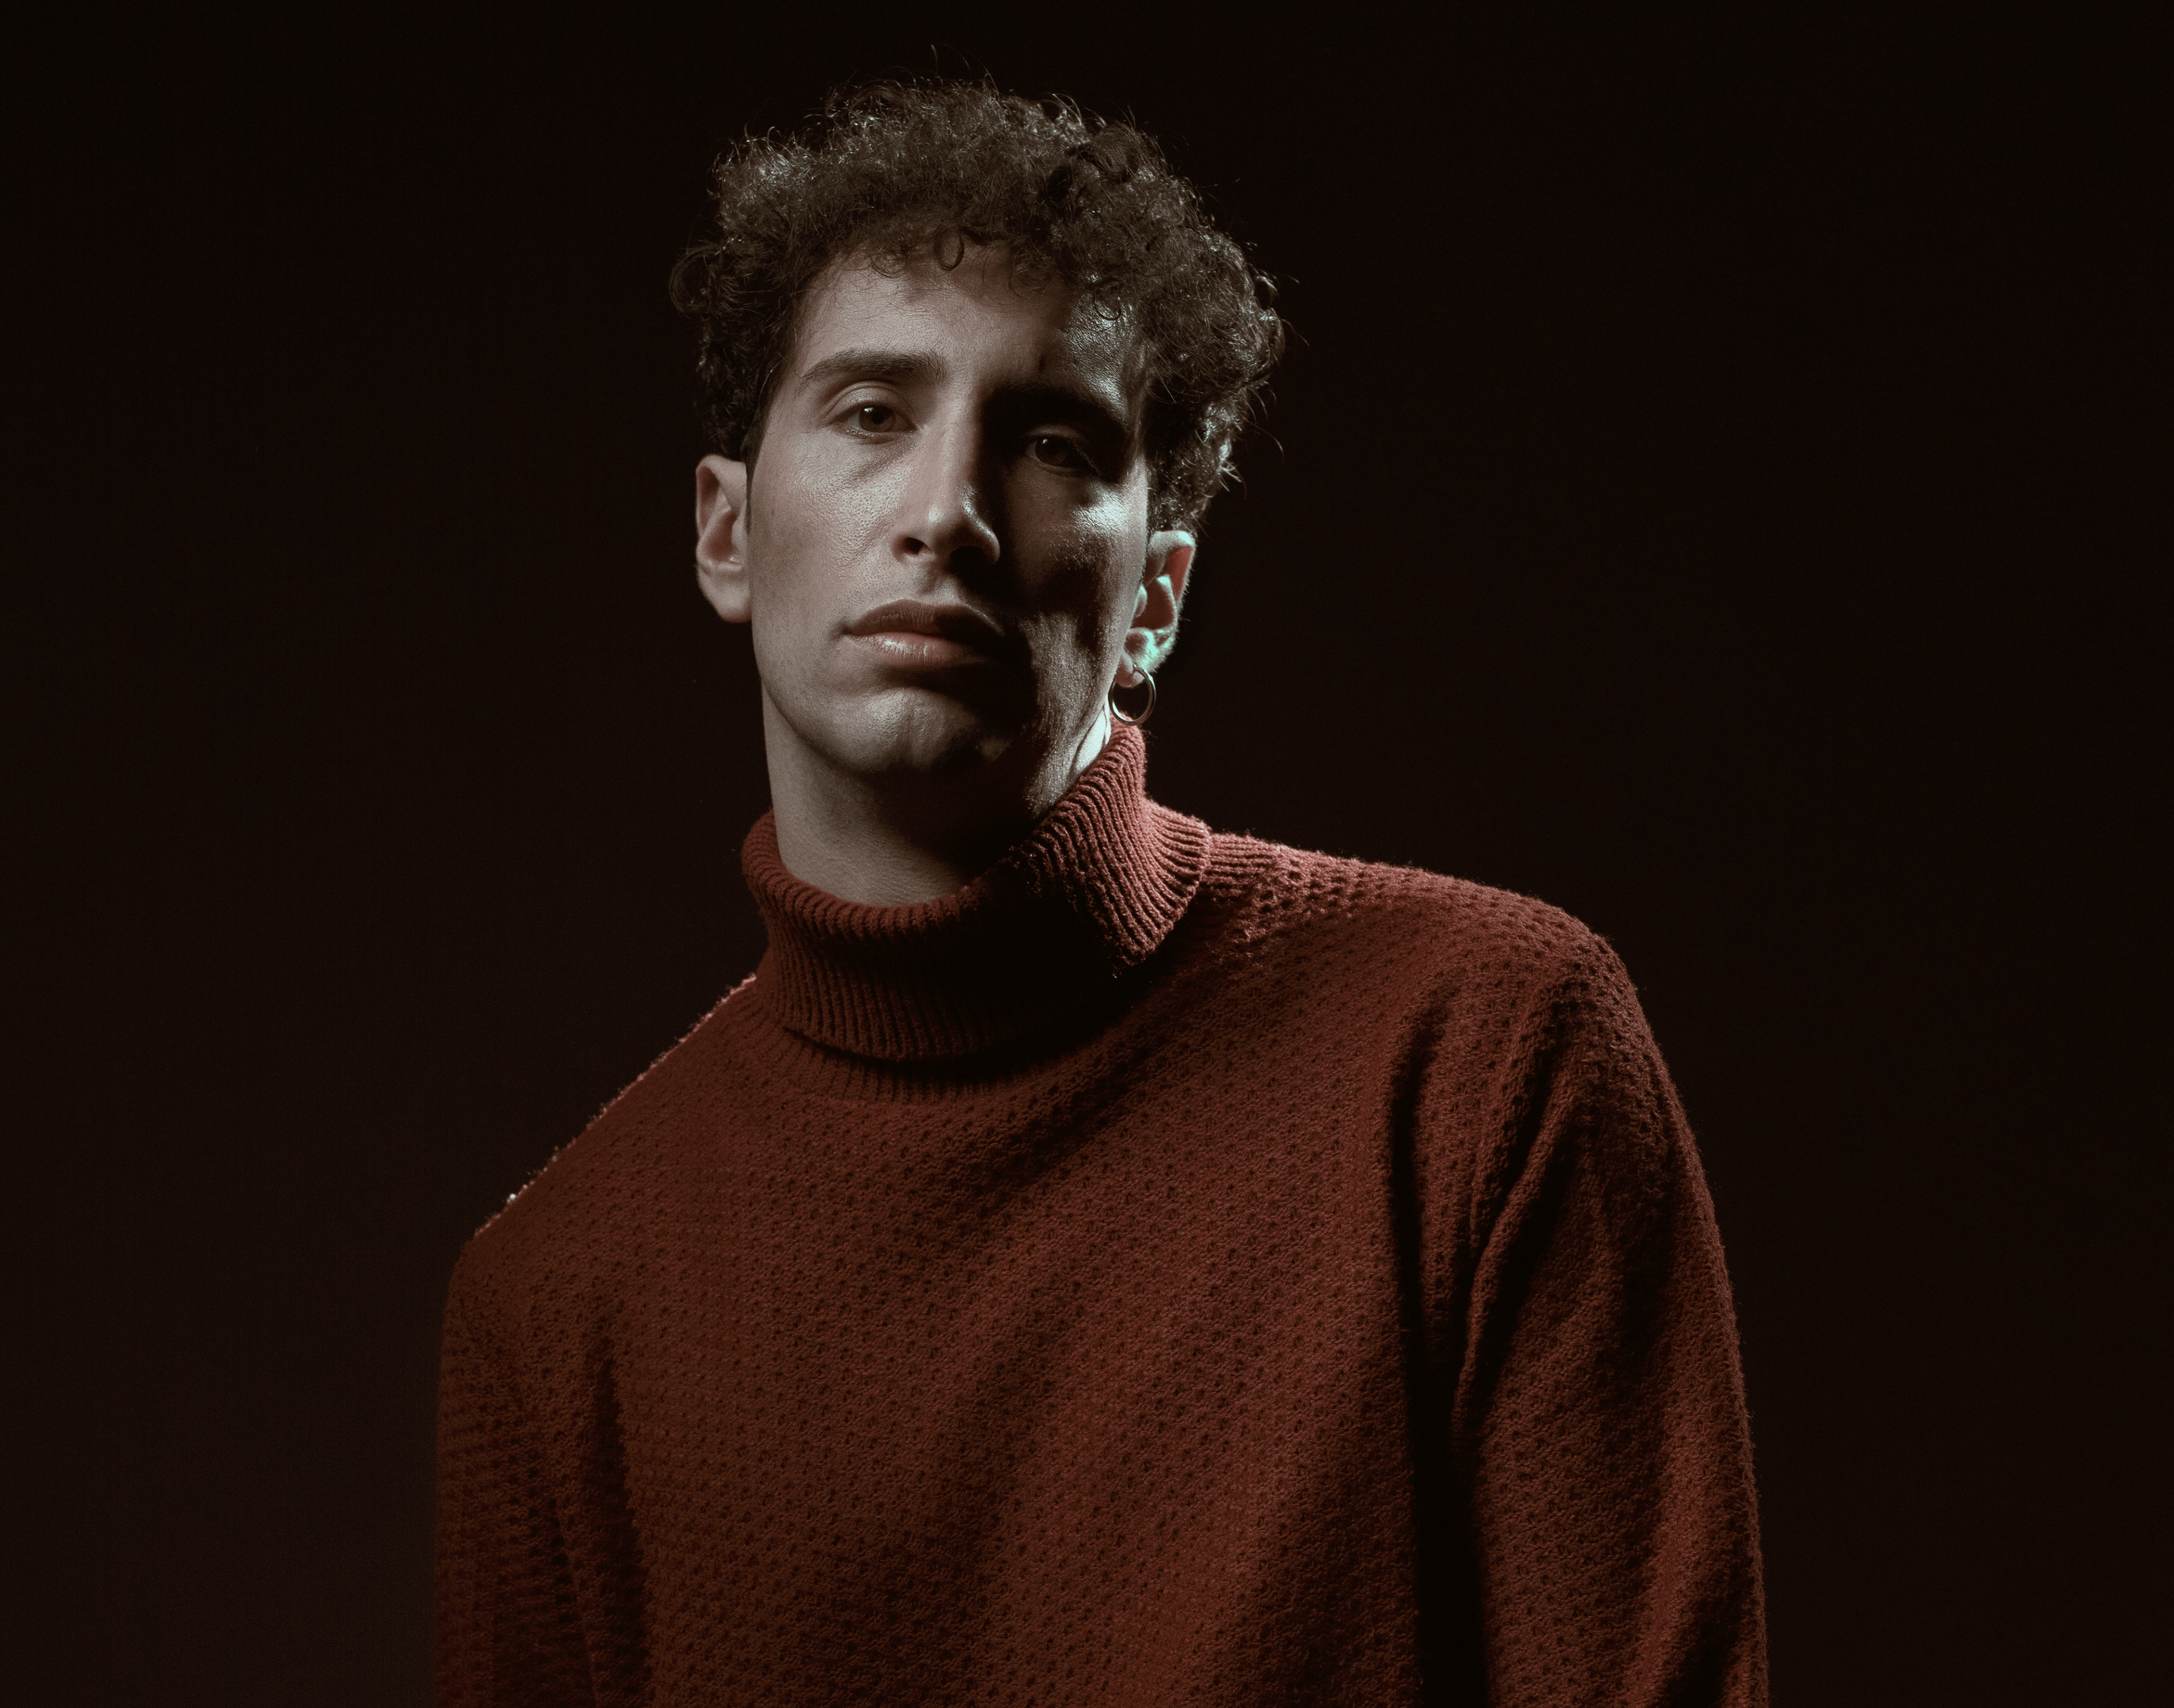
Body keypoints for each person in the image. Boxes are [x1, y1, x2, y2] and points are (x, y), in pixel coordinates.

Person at [435, 79, 1765, 1706]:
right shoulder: (558, 1303)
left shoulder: (1484, 1056)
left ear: (1157, 598)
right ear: (727, 533)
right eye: (872, 413)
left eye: (1052, 441)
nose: (947, 516)